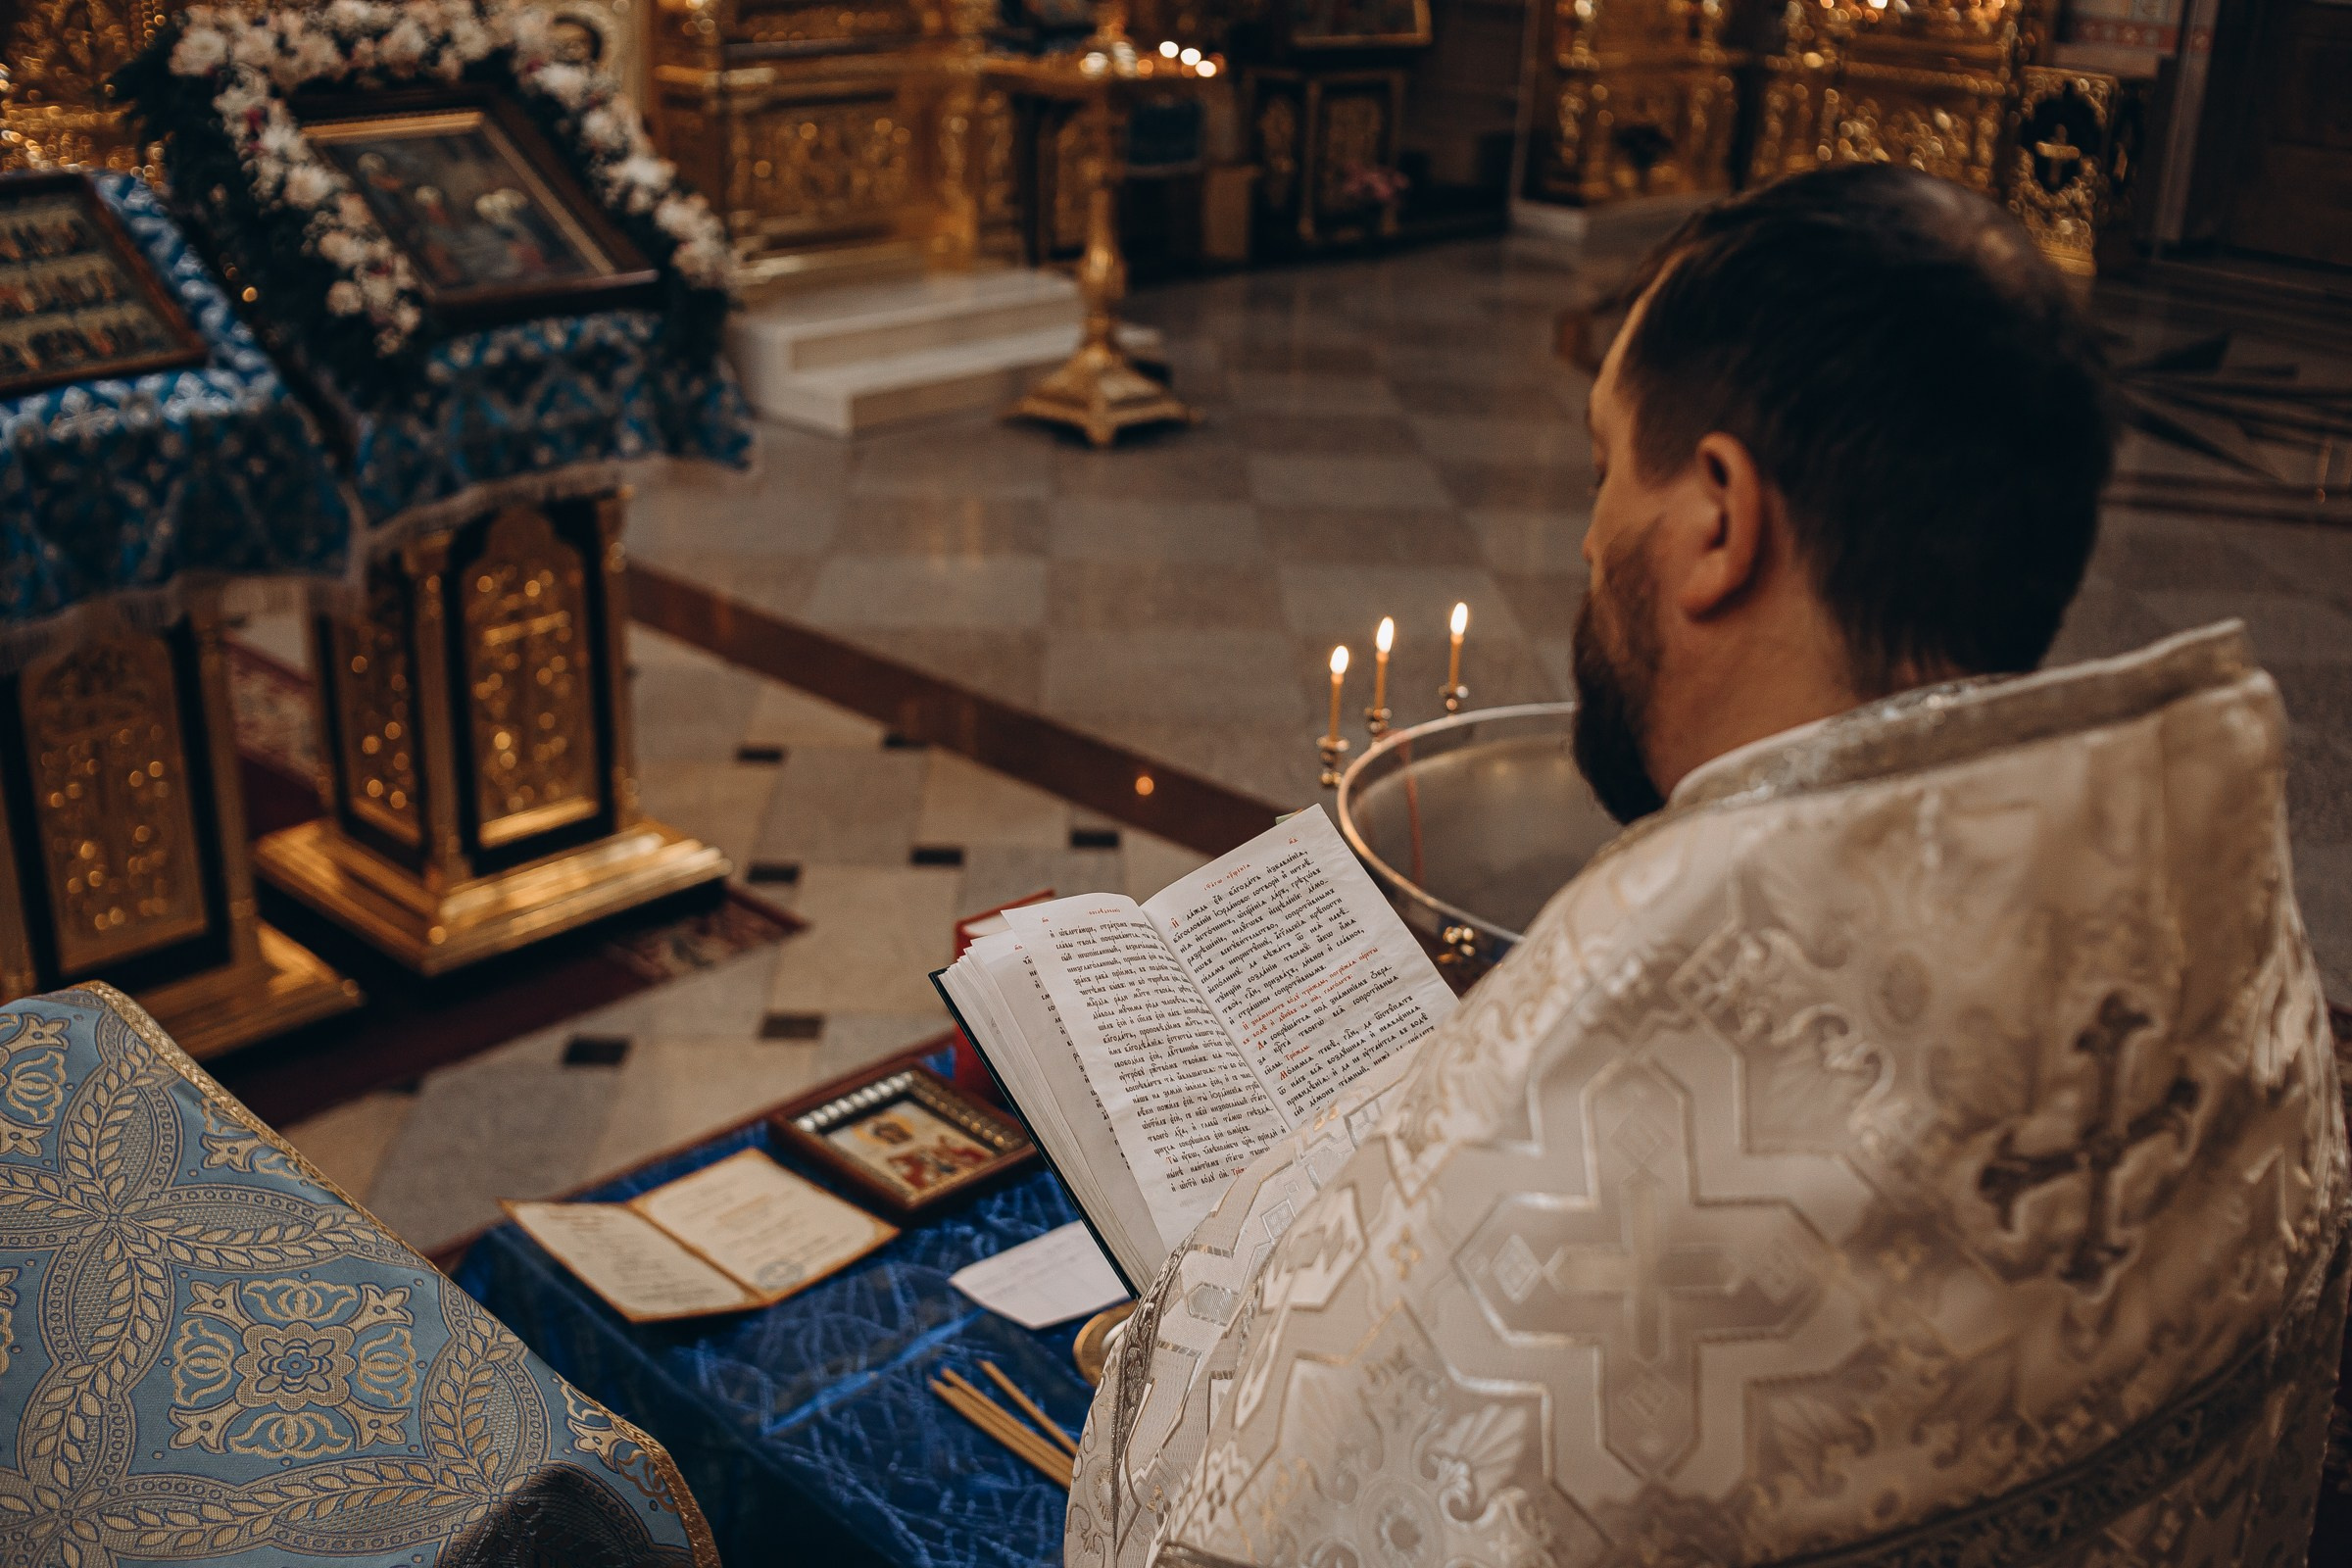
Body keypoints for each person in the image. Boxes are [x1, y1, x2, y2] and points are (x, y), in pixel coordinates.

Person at [1065, 165, 2349, 1568]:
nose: (1585, 530)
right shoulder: (2238, 961)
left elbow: (1274, 1518)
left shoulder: (1630, 1078)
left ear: (1719, 521)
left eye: (1607, 465)